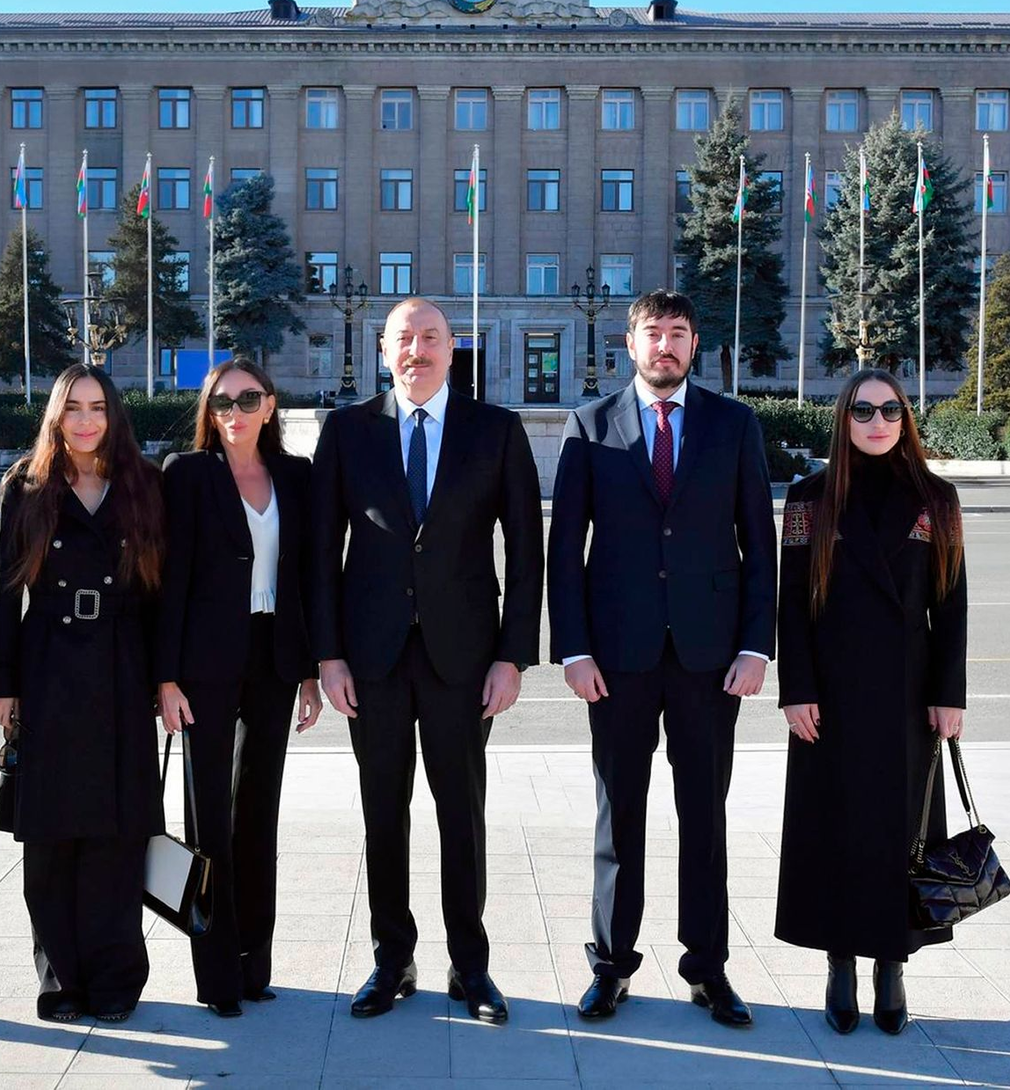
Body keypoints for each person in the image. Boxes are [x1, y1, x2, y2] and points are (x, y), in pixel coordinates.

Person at [310, 298, 544, 1025]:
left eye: (432, 338)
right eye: (404, 339)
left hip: (465, 661)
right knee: (384, 811)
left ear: (453, 348)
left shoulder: (496, 430)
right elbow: (320, 553)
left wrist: (512, 657)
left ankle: (470, 967)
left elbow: (528, 553)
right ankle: (391, 957)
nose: (418, 350)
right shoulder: (348, 432)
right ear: (384, 350)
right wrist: (328, 656)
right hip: (370, 659)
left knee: (461, 814)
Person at [548, 290, 776, 1027]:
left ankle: (707, 969)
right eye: (655, 333)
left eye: (679, 333)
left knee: (702, 813)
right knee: (620, 813)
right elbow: (565, 552)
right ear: (631, 341)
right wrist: (574, 649)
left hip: (712, 658)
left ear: (694, 342)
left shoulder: (734, 423)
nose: (667, 346)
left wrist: (754, 644)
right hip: (617, 657)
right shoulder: (589, 426)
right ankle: (610, 967)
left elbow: (759, 546)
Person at [776, 370, 966, 1035]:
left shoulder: (936, 499)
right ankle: (839, 964)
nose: (877, 420)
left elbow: (952, 606)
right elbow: (792, 604)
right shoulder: (810, 498)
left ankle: (892, 966)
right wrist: (795, 690)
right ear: (844, 418)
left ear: (905, 417)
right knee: (835, 829)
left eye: (890, 409)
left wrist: (949, 695)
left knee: (899, 834)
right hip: (828, 699)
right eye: (863, 409)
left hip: (907, 700)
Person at [0, 364, 165, 1024]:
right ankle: (61, 980)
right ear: (56, 417)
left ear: (113, 415)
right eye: (73, 408)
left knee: (119, 830)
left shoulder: (145, 484)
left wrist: (163, 676)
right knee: (53, 835)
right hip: (49, 665)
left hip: (122, 665)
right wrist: (3, 683)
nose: (86, 420)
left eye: (96, 407)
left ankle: (116, 977)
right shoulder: (27, 486)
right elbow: (9, 591)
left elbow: (159, 592)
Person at [156, 358, 321, 1017]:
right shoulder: (188, 474)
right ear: (209, 411)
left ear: (270, 406)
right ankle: (217, 974)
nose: (234, 411)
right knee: (209, 821)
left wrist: (309, 667)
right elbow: (168, 581)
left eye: (247, 398)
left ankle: (255, 961)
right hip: (204, 663)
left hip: (274, 659)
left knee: (259, 810)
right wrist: (164, 675)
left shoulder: (295, 475)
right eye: (222, 401)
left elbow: (307, 575)